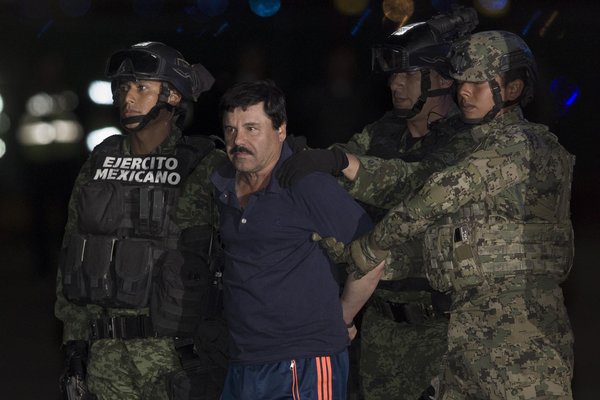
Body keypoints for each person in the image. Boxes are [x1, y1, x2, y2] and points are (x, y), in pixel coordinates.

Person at [318, 30, 575, 399]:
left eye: (477, 83)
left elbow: (432, 197)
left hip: (520, 341)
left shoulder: (520, 144)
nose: (464, 92)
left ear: (513, 89)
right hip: (468, 340)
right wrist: (352, 254)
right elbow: (438, 240)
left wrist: (370, 249)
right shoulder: (474, 146)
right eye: (461, 82)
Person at [277, 8, 479, 399]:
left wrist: (342, 163)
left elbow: (418, 184)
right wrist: (303, 159)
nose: (395, 84)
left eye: (408, 74)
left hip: (444, 333)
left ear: (441, 79)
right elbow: (344, 160)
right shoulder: (385, 132)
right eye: (392, 75)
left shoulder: (466, 140)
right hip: (381, 328)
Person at [54, 41, 228, 400]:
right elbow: (73, 254)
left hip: (178, 359)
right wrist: (74, 343)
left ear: (173, 96)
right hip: (106, 361)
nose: (128, 98)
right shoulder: (99, 164)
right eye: (122, 88)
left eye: (141, 88)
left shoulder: (207, 167)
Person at [209, 80, 381, 400]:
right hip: (243, 359)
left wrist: (343, 316)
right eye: (230, 129)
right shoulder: (221, 182)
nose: (238, 140)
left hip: (304, 360)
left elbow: (375, 252)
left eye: (251, 129)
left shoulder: (306, 184)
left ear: (280, 130)